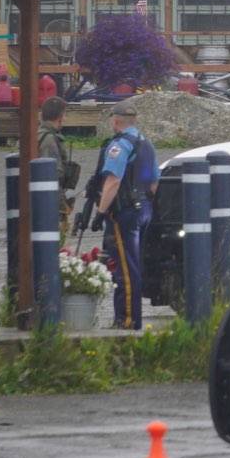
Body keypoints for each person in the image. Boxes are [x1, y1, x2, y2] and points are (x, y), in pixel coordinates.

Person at [89, 99, 158, 328]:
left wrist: (100, 212)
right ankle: (128, 317)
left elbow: (113, 181)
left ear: (115, 121)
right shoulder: (145, 143)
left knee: (125, 270)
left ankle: (127, 320)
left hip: (125, 213)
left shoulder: (120, 145)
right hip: (144, 209)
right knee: (133, 265)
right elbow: (154, 184)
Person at [38, 97, 78, 234]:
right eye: (64, 115)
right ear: (60, 117)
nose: (65, 119)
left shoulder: (39, 135)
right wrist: (62, 206)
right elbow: (52, 176)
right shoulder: (49, 140)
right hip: (48, 203)